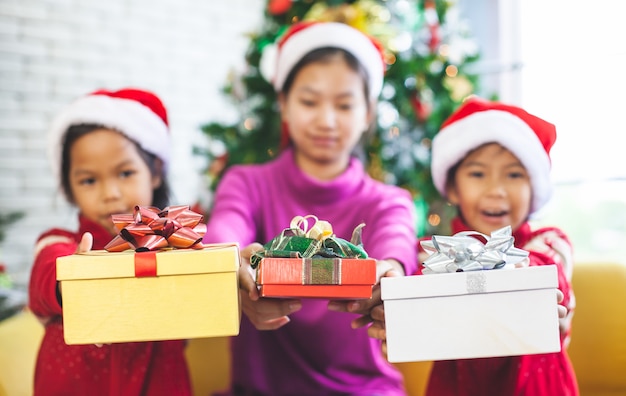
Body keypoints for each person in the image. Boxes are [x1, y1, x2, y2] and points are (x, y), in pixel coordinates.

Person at [203, 21, 418, 396]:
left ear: (368, 112)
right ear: (283, 104)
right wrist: (231, 261)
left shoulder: (388, 201)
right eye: (309, 101)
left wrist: (391, 271)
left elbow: (397, 245)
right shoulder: (246, 183)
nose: (326, 120)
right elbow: (227, 227)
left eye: (345, 104)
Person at [371, 97, 579, 395]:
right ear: (453, 187)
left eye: (514, 175)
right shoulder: (430, 254)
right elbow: (410, 296)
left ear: (534, 188)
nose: (496, 190)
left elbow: (548, 272)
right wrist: (397, 309)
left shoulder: (548, 243)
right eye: (478, 174)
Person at [28, 88, 192, 395]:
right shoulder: (59, 243)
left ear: (155, 172)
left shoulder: (174, 245)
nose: (110, 193)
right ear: (69, 187)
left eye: (125, 173)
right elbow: (46, 275)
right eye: (89, 180)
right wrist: (72, 281)